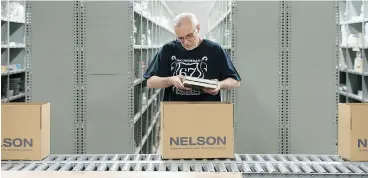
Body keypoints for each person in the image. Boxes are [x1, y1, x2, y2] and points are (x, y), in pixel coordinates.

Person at [143, 13, 241, 101]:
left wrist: (219, 85)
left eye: (189, 35)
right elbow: (150, 82)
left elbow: (235, 82)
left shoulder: (215, 49)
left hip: (207, 112)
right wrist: (171, 80)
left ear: (198, 28)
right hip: (176, 112)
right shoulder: (168, 49)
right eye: (180, 38)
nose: (185, 42)